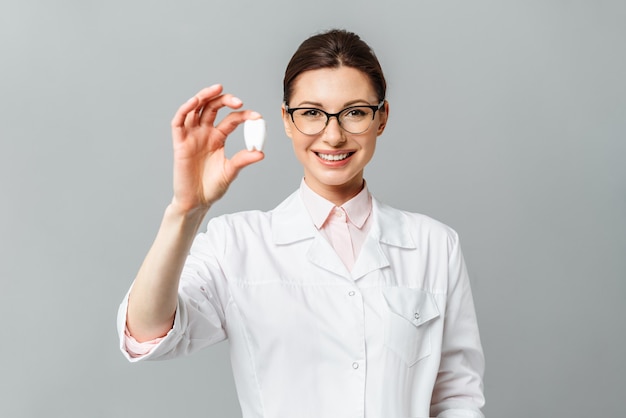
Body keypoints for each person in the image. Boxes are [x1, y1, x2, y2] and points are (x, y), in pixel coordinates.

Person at [117, 29, 486, 418]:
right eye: (311, 113)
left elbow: (456, 398)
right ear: (287, 121)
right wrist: (185, 211)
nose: (333, 134)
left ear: (382, 118)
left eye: (355, 112)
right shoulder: (237, 243)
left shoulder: (435, 245)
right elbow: (146, 333)